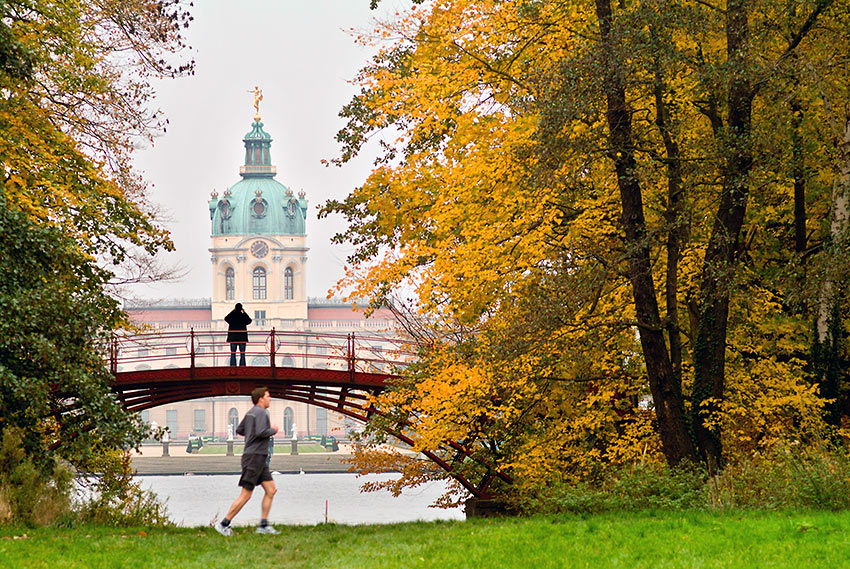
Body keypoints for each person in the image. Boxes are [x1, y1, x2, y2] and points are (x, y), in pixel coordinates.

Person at [215, 386, 280, 536]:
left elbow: (240, 430)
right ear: (261, 398)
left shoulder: (250, 413)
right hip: (254, 457)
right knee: (246, 494)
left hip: (257, 457)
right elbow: (261, 432)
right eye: (268, 396)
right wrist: (273, 430)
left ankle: (263, 526)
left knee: (271, 490)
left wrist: (251, 433)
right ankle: (224, 524)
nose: (270, 398)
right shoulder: (262, 412)